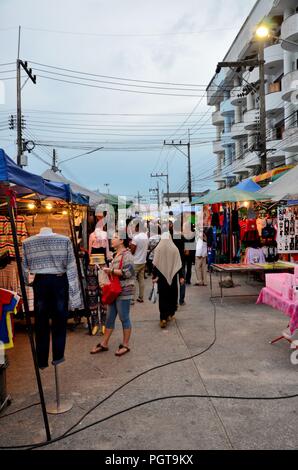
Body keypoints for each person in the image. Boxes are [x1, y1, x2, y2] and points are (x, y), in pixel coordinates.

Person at [90, 232, 135, 356]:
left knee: (124, 317)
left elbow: (129, 272)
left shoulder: (127, 255)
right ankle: (104, 343)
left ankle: (125, 345)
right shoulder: (116, 254)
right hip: (114, 290)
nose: (112, 239)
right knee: (110, 317)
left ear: (121, 241)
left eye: (115, 237)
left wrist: (111, 270)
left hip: (124, 290)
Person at [152, 232, 184, 329]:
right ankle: (170, 313)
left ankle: (163, 318)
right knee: (172, 295)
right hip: (173, 277)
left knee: (163, 296)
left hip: (162, 278)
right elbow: (178, 265)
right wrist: (181, 277)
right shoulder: (175, 249)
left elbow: (155, 264)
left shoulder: (158, 248)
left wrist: (154, 276)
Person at [130, 220, 149, 304]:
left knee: (132, 280)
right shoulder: (146, 236)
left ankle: (132, 299)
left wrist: (130, 247)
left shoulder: (136, 238)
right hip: (143, 261)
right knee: (141, 280)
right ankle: (141, 297)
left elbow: (132, 251)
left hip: (136, 261)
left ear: (138, 228)